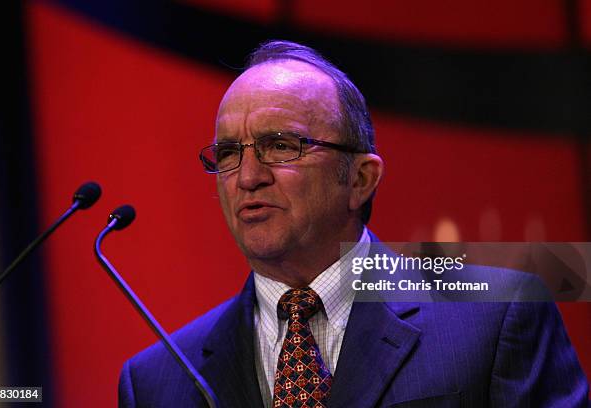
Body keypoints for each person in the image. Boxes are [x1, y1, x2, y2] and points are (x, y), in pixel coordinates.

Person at [118, 40, 589, 407]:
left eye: (281, 146)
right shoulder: (157, 381)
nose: (248, 177)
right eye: (227, 154)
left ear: (361, 179)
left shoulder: (495, 318)